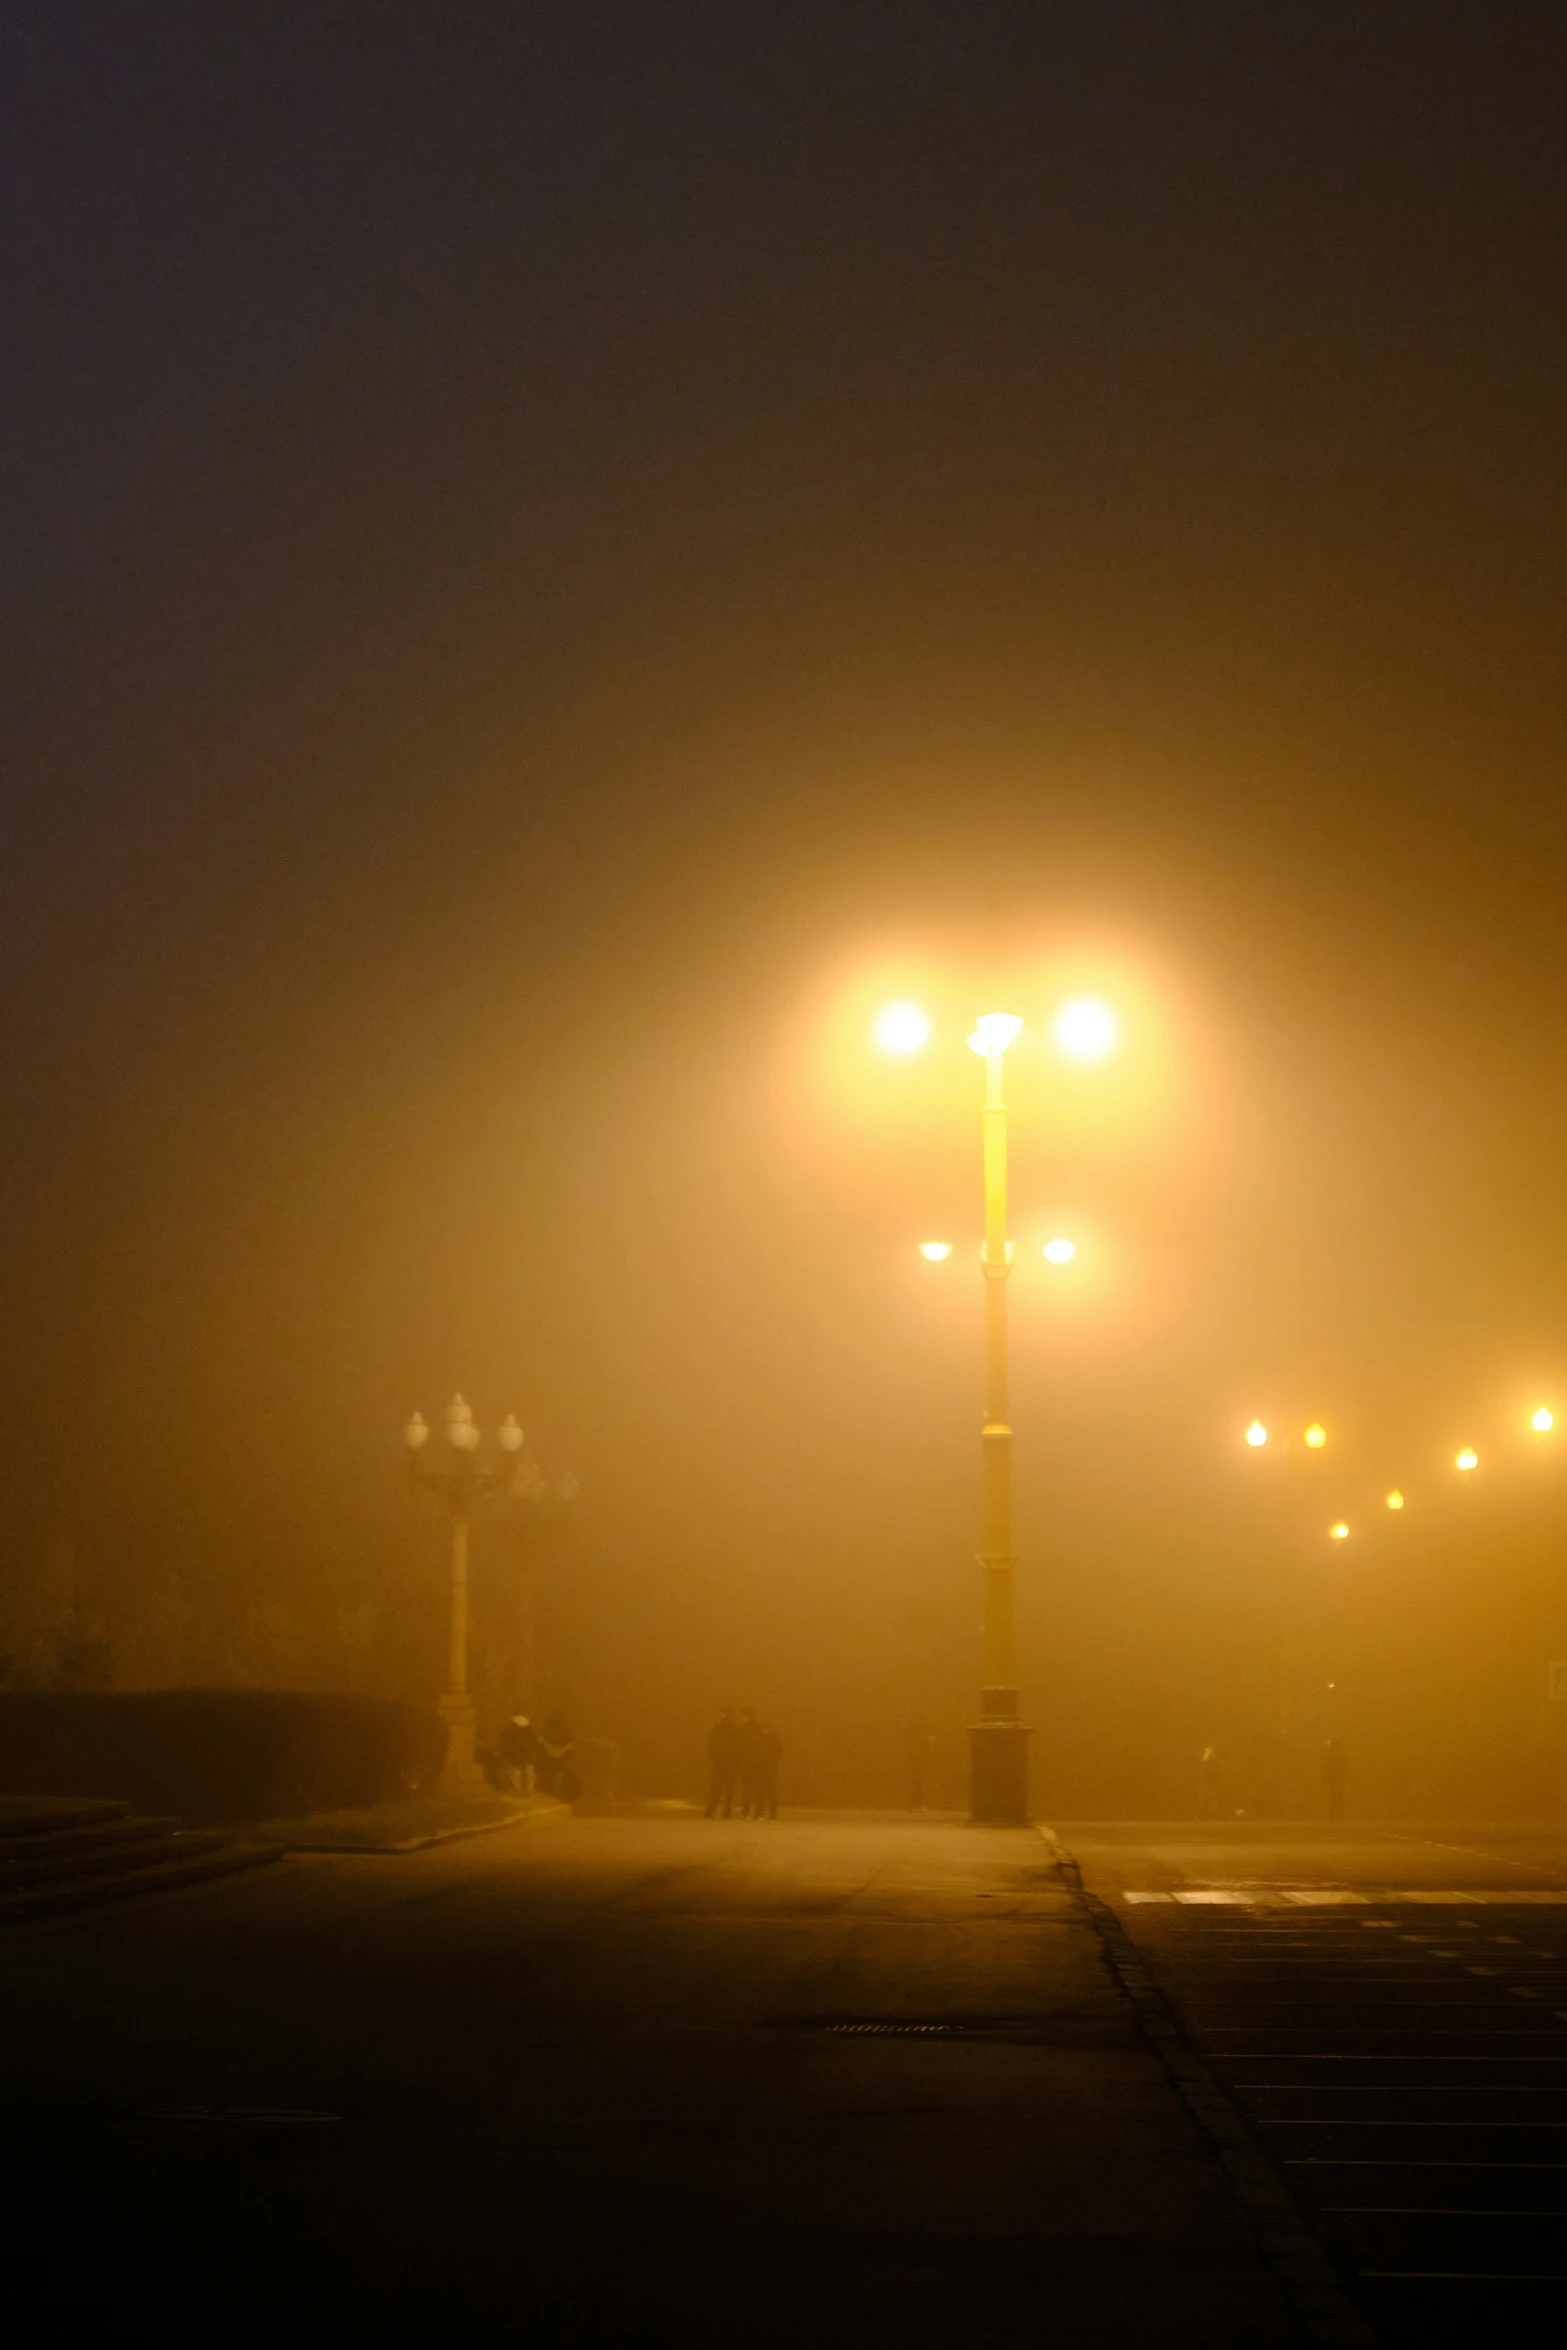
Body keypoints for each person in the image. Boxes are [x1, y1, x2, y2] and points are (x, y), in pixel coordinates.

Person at [536, 1711, 579, 1802]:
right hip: (559, 1763)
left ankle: (552, 1796)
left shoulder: (546, 1732)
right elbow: (570, 1748)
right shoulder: (568, 1732)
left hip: (551, 1763)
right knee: (556, 1779)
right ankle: (555, 1796)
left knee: (553, 1780)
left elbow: (543, 1747)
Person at [705, 1708, 739, 1817]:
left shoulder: (718, 1729)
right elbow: (739, 1747)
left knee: (715, 1787)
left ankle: (710, 1811)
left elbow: (711, 1745)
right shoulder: (735, 1729)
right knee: (728, 1789)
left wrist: (714, 1757)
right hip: (730, 1763)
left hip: (719, 1762)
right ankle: (726, 1812)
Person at [498, 1708, 539, 1794]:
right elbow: (534, 1740)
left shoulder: (510, 1726)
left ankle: (517, 1787)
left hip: (514, 1752)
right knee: (529, 1767)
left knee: (516, 1768)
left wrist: (505, 1752)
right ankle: (530, 1787)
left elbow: (506, 1741)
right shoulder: (528, 1726)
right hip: (528, 1751)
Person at [735, 1708, 765, 1816]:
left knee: (747, 1788)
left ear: (747, 1716)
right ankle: (758, 1810)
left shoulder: (745, 1730)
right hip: (756, 1762)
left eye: (742, 1716)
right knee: (757, 1788)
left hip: (748, 1762)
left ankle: (746, 1811)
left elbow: (741, 1747)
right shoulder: (758, 1728)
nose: (741, 1718)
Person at [905, 1715, 936, 1810]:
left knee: (917, 1781)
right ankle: (917, 1804)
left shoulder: (914, 1736)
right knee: (919, 1781)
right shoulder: (922, 1736)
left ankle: (915, 1804)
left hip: (918, 1760)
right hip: (919, 1760)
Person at [754, 1723, 782, 1819]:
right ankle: (767, 1813)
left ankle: (763, 1813)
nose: (764, 1729)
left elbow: (777, 1753)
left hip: (767, 1769)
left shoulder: (767, 1739)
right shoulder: (772, 1739)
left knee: (766, 1792)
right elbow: (778, 1753)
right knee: (766, 1792)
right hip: (767, 1769)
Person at [1196, 1744, 1225, 1821]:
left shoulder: (1215, 1759)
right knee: (1204, 1799)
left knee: (1213, 1800)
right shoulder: (1205, 1759)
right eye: (1206, 1750)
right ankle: (1201, 1816)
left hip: (1213, 1783)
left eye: (1208, 1750)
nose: (1207, 1751)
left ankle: (1213, 1816)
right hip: (1206, 1783)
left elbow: (1217, 1771)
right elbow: (1202, 1771)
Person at [1322, 1738, 1347, 1823]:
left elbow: (1328, 1768)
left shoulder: (1334, 1756)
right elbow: (1329, 1768)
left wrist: (1325, 1779)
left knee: (1335, 1797)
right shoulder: (1338, 1756)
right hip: (1337, 1779)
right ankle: (1338, 1816)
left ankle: (1335, 1816)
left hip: (1335, 1779)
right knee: (1337, 1797)